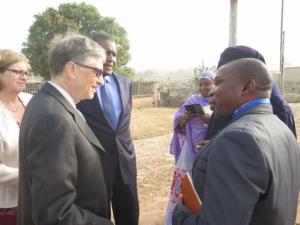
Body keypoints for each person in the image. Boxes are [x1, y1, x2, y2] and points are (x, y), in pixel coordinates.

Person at [172, 58, 300, 225]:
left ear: (246, 87)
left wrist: (181, 213)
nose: (211, 91)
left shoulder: (237, 139)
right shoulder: (283, 130)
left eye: (218, 83)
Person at [18, 34, 114, 225]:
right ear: (72, 69)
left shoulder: (55, 105)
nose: (102, 80)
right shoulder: (52, 117)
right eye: (96, 72)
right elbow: (55, 214)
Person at [77, 33, 139, 225]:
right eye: (106, 52)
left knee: (129, 213)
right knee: (97, 215)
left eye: (114, 53)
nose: (111, 58)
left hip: (124, 162)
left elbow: (122, 126)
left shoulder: (125, 83)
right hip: (94, 163)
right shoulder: (78, 83)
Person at [204, 45, 297, 141]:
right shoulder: (230, 103)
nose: (212, 91)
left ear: (247, 86)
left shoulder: (277, 107)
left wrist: (219, 148)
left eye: (220, 82)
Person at [165, 71, 215, 225]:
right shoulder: (191, 101)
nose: (203, 87)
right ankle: (180, 215)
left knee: (207, 183)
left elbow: (224, 123)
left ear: (214, 84)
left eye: (207, 83)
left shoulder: (219, 101)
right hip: (189, 150)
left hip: (210, 148)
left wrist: (210, 120)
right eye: (200, 84)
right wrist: (185, 118)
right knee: (186, 182)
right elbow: (178, 125)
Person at [0, 49, 32, 225]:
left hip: (38, 198)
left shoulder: (31, 101)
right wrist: (30, 177)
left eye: (26, 72)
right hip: (7, 206)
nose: (24, 77)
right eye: (18, 71)